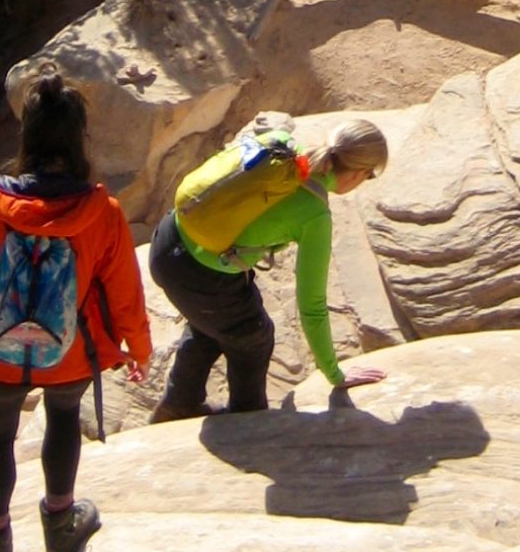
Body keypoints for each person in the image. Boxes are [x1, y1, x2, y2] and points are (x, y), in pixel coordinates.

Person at [0, 72, 151, 552]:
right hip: (71, 353)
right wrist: (138, 348)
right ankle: (60, 523)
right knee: (64, 419)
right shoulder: (103, 214)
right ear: (79, 140)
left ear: (25, 136)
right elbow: (125, 296)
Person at [148, 115, 390, 420]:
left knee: (211, 323)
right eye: (370, 176)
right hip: (202, 274)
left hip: (168, 238)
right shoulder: (315, 215)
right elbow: (312, 306)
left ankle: (178, 404)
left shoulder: (281, 143)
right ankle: (248, 421)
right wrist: (334, 373)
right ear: (357, 173)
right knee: (253, 336)